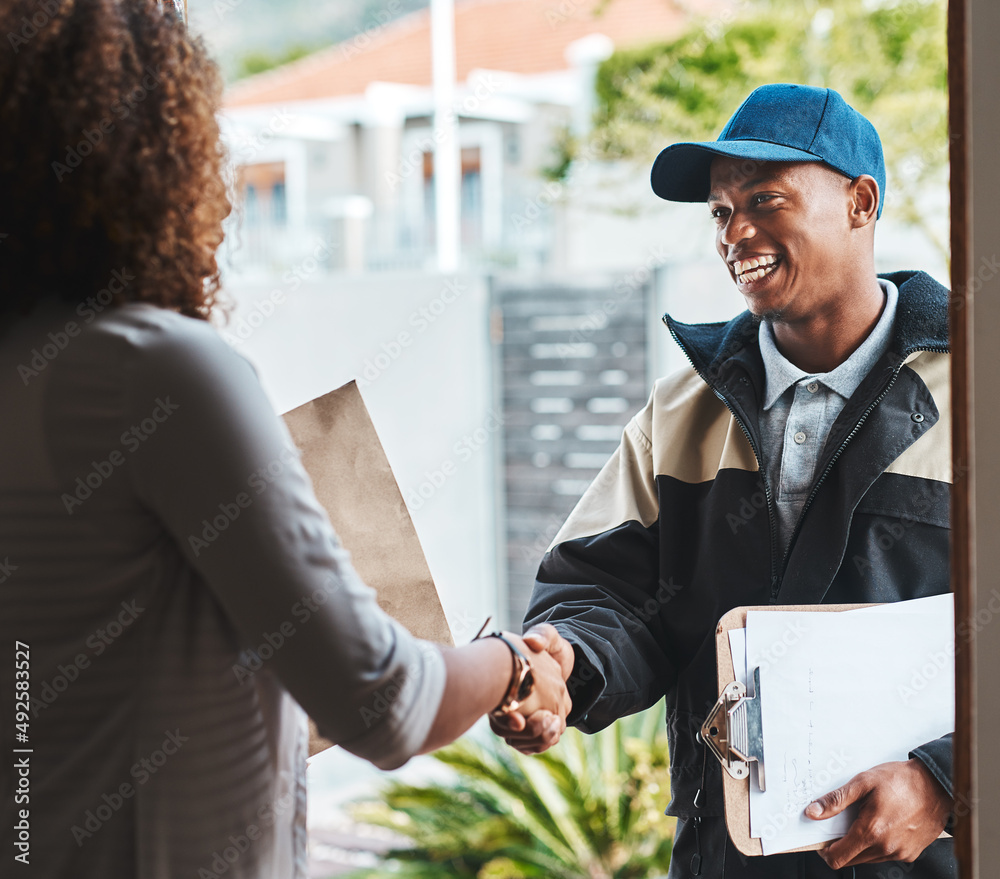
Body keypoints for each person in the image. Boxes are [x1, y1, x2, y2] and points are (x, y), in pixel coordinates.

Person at [0, 2, 569, 877]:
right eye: (204, 141)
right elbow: (385, 703)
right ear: (147, 157)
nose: (222, 186)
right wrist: (511, 666)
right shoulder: (161, 370)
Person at [493, 83, 956, 877]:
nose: (736, 232)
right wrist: (569, 663)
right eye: (719, 211)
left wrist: (947, 780)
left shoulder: (972, 396)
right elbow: (606, 596)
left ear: (861, 201)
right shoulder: (680, 414)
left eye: (765, 200)